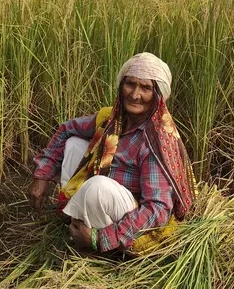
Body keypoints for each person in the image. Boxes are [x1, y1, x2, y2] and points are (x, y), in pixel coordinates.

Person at [28, 52, 195, 253]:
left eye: (146, 88)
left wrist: (101, 238)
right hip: (107, 198)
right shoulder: (111, 119)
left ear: (157, 96)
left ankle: (100, 245)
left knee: (98, 187)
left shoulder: (154, 140)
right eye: (130, 84)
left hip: (132, 215)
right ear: (120, 87)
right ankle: (73, 219)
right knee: (74, 143)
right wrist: (42, 175)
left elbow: (157, 208)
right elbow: (66, 129)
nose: (135, 95)